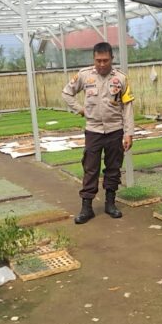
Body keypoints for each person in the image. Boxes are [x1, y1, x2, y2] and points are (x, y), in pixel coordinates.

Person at [62, 42, 135, 224]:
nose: (102, 64)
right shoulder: (84, 75)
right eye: (98, 61)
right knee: (90, 168)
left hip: (115, 130)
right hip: (93, 130)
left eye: (105, 60)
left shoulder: (121, 78)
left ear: (112, 59)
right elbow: (67, 93)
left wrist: (129, 133)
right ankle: (86, 207)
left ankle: (110, 203)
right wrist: (80, 109)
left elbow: (127, 107)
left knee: (113, 168)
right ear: (93, 59)